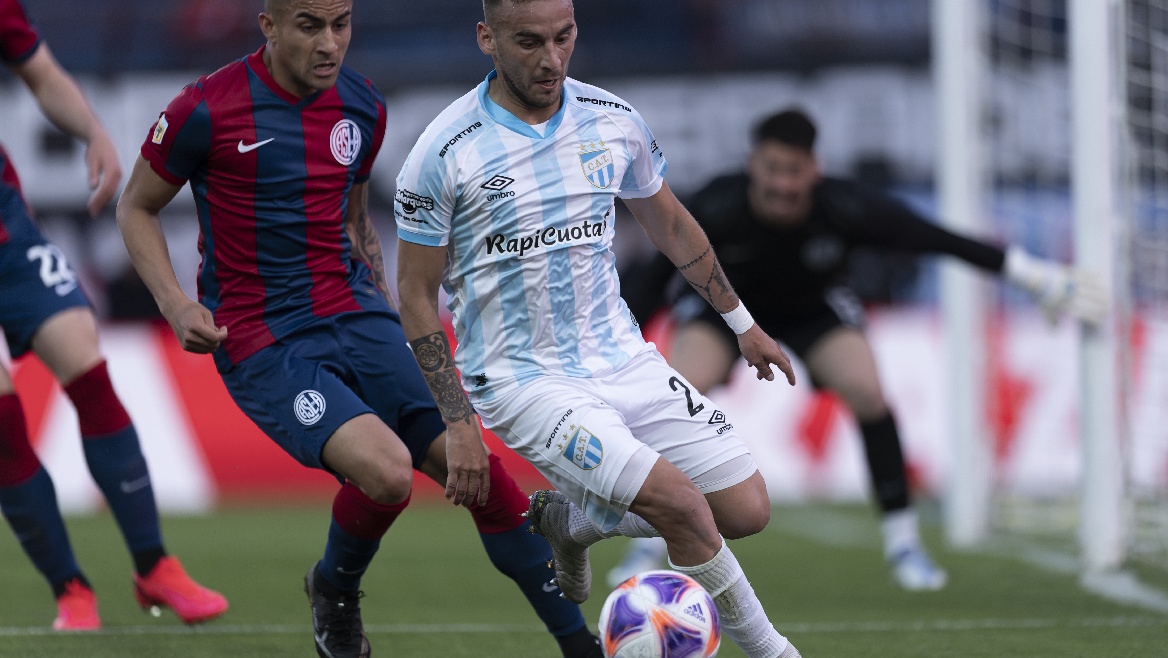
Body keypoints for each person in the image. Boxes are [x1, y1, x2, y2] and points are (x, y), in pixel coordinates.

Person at [114, 2, 603, 657]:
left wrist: (376, 293)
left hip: (358, 314)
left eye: (341, 23)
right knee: (387, 473)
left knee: (481, 473)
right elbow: (136, 207)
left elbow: (352, 217)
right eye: (310, 25)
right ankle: (334, 593)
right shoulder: (206, 108)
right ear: (270, 25)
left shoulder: (362, 105)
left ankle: (583, 648)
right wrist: (175, 304)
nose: (330, 43)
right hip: (266, 340)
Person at [395, 2, 803, 657]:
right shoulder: (444, 150)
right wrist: (459, 421)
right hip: (522, 379)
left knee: (744, 511)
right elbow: (414, 293)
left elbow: (668, 222)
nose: (551, 59)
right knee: (686, 510)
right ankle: (775, 651)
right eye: (529, 42)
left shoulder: (613, 121)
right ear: (486, 38)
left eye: (563, 38)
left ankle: (574, 520)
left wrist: (741, 323)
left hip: (623, 358)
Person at [606, 107, 1108, 591]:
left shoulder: (844, 206)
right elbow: (655, 279)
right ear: (752, 165)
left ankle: (904, 543)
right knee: (682, 393)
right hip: (724, 314)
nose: (783, 184)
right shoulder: (717, 204)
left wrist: (1033, 276)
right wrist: (614, 351)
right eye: (773, 170)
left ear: (814, 170)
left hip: (815, 312)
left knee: (867, 391)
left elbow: (934, 239)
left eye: (795, 172)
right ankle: (653, 543)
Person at [0, 0, 228, 632]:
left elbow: (41, 73)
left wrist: (94, 130)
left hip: (7, 231)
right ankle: (71, 591)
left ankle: (155, 566)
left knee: (87, 365)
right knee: (4, 421)